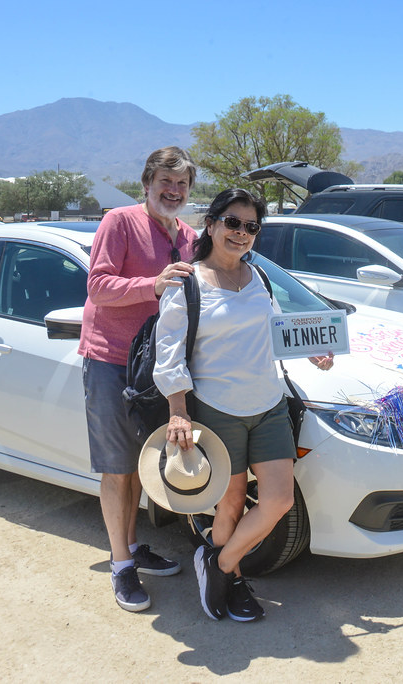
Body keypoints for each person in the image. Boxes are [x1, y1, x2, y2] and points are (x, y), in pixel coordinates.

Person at [153, 188, 333, 622]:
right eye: (232, 222)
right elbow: (169, 351)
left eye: (251, 226)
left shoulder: (259, 278)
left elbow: (274, 330)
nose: (241, 233)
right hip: (218, 409)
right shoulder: (187, 282)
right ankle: (231, 579)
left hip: (268, 404)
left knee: (278, 500)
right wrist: (178, 409)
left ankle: (219, 564)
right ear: (211, 223)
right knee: (230, 504)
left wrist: (309, 350)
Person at [78, 146, 198, 612]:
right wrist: (152, 284)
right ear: (147, 183)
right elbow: (97, 287)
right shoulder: (119, 222)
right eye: (165, 182)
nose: (174, 191)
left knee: (145, 464)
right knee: (118, 467)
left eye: (182, 184)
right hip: (111, 360)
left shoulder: (189, 235)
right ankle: (121, 565)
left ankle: (130, 546)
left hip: (160, 368)